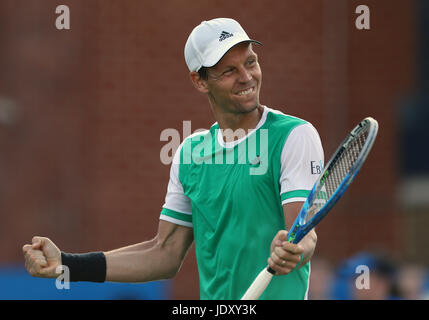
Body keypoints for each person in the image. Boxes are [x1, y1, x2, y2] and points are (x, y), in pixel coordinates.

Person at [22, 17, 324, 300]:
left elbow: (303, 234)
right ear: (200, 81)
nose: (246, 77)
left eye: (251, 62)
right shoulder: (190, 153)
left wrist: (294, 250)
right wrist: (68, 264)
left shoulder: (294, 136)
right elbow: (164, 253)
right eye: (229, 71)